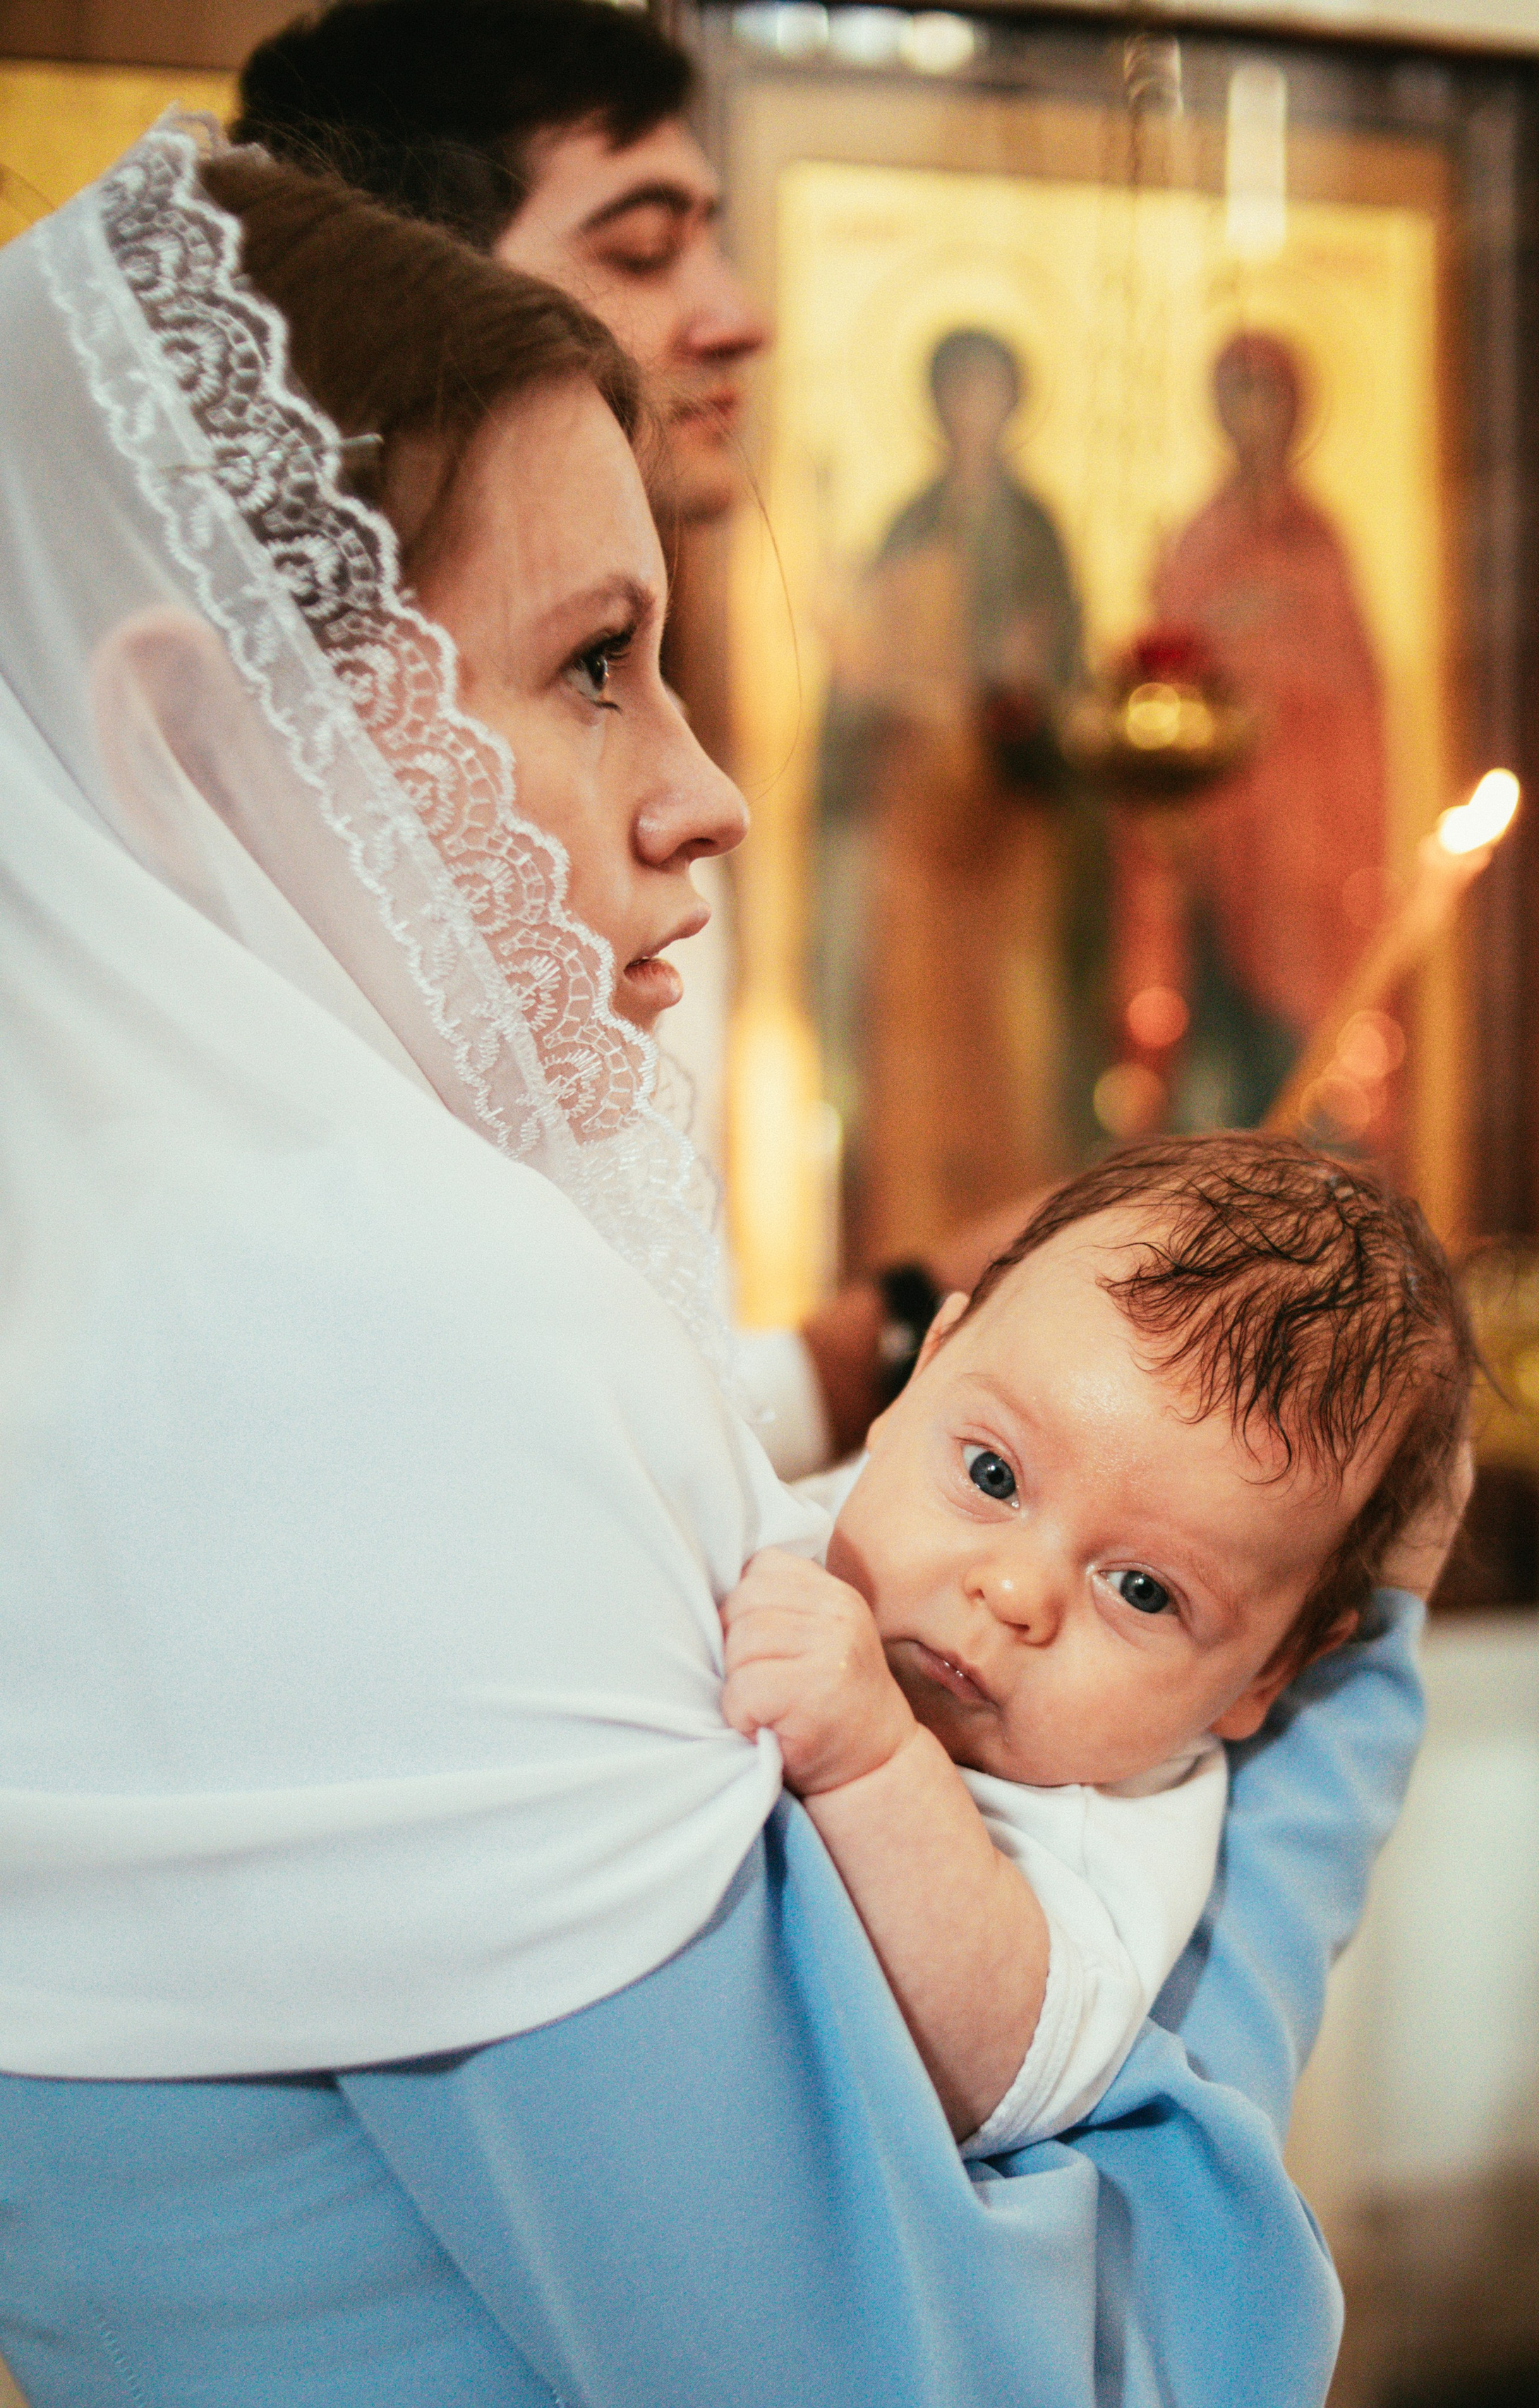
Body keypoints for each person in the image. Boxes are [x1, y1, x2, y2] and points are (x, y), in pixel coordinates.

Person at [0, 128, 1458, 2408]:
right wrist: (1332, 1754)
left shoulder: (126, 1297)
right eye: (597, 663)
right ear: (191, 736)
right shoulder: (392, 1330)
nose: (710, 792)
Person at [234, 0, 953, 1468]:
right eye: (638, 247)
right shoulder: (290, 851)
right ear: (404, 283)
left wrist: (869, 1351)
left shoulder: (624, 784)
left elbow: (562, 1414)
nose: (737, 311)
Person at [727, 1133, 1473, 2154]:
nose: (1016, 1590)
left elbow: (994, 2071)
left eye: (1142, 1590)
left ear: (1267, 1674)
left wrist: (869, 1763)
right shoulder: (792, 1504)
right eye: (993, 1477)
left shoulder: (1108, 1821)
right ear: (917, 1382)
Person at [817, 325, 1085, 1264]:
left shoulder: (1037, 531)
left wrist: (1024, 699)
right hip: (914, 846)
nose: (973, 408)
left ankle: (1012, 1262)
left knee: (1012, 1065)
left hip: (1007, 843)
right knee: (914, 1078)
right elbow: (853, 704)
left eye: (989, 390)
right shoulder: (909, 522)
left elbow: (1067, 694)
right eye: (957, 390)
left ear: (1013, 403)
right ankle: (908, 1268)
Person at [1122, 329, 1389, 1132]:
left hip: (1308, 848)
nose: (1250, 415)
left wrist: (1271, 655)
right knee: (1214, 1051)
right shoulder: (1198, 536)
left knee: (1301, 1055)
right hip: (1214, 836)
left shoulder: (1319, 542)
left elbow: (1357, 693)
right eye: (1233, 395)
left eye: (1265, 394)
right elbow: (1167, 668)